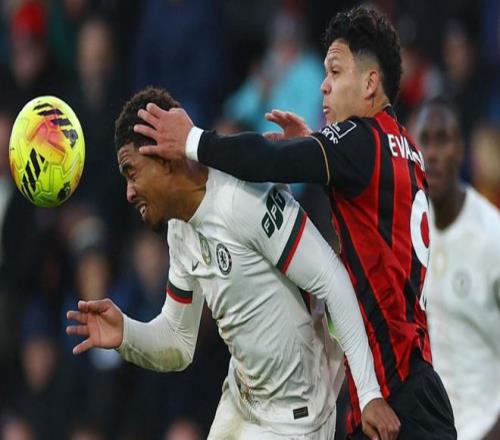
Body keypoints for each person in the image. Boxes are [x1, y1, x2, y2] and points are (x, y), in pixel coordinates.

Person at [133, 7, 456, 439]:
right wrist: (314, 148)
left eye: (335, 71)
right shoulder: (403, 150)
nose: (324, 84)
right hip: (403, 383)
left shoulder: (361, 140)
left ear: (370, 84)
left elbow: (269, 159)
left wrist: (193, 141)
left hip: (397, 393)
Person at [66, 87, 400, 440]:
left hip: (294, 418)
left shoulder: (242, 197)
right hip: (241, 402)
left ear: (164, 158)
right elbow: (179, 341)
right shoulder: (179, 230)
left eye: (132, 172)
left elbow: (332, 279)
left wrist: (369, 394)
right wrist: (126, 334)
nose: (129, 192)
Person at [415, 99, 500, 440]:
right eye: (425, 140)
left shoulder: (491, 236)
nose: (433, 153)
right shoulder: (409, 234)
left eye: (443, 140)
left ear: (461, 151)